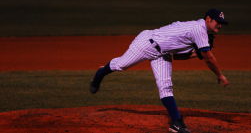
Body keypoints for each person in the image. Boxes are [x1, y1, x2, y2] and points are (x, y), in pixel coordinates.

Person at [90, 8, 229, 133]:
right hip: (146, 44)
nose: (220, 25)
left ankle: (176, 123)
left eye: (222, 22)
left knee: (165, 87)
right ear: (208, 19)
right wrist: (220, 75)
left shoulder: (199, 30)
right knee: (121, 65)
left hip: (163, 53)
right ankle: (100, 73)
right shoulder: (198, 29)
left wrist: (195, 53)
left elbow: (179, 56)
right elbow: (208, 58)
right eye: (218, 22)